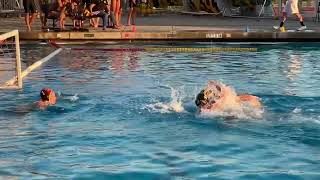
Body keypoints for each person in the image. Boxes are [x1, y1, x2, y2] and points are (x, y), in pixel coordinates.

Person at [195, 81, 262, 113]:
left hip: (253, 102)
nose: (201, 108)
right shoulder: (218, 98)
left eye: (202, 105)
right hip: (251, 100)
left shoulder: (220, 102)